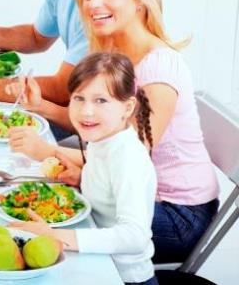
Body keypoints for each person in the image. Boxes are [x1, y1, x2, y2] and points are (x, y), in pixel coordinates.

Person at [7, 0, 219, 263]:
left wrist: (47, 151)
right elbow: (103, 133)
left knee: (43, 227)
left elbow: (124, 158)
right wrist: (42, 107)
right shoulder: (114, 54)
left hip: (175, 213)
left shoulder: (159, 69)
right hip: (124, 189)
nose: (94, 4)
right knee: (34, 204)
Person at [12, 53, 158, 285]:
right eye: (79, 98)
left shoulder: (129, 158)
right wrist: (83, 178)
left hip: (121, 277)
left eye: (101, 101)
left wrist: (55, 235)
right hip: (94, 260)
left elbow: (135, 237)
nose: (86, 111)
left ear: (127, 107)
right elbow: (107, 186)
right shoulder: (104, 139)